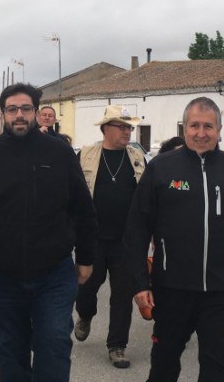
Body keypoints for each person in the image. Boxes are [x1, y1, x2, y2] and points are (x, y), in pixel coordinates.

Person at [0, 83, 98, 381]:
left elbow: (82, 206)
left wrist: (86, 256)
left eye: (26, 109)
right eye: (12, 109)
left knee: (54, 345)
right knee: (10, 349)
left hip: (53, 274)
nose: (19, 115)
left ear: (36, 112)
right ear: (3, 114)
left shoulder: (59, 152)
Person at [124, 97, 224, 382]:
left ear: (219, 129)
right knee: (164, 365)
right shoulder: (161, 169)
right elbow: (137, 228)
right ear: (184, 127)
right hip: (171, 288)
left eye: (208, 126)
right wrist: (140, 283)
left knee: (217, 368)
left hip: (222, 290)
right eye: (194, 126)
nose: (201, 133)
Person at [74, 105, 146, 369]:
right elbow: (72, 193)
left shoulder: (137, 157)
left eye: (129, 127)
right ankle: (85, 314)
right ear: (106, 129)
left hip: (126, 241)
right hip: (92, 238)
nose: (127, 131)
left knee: (122, 295)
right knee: (86, 286)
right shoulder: (86, 155)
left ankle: (117, 345)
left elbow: (147, 197)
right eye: (122, 127)